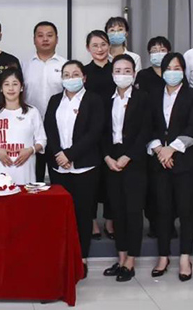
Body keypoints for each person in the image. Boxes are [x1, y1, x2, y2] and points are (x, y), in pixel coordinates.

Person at [43, 60, 105, 278]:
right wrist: (59, 155)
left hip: (85, 167)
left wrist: (70, 155)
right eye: (66, 75)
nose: (71, 78)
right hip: (59, 167)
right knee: (62, 215)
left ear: (84, 77)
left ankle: (82, 258)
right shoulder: (55, 100)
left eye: (75, 74)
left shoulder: (94, 100)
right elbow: (49, 129)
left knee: (83, 214)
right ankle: (63, 256)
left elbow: (94, 132)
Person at [147, 52, 193, 282]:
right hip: (159, 160)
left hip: (184, 161)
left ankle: (184, 257)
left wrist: (172, 149)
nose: (172, 72)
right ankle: (163, 256)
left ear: (183, 71)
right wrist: (160, 149)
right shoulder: (152, 94)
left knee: (186, 210)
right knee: (162, 211)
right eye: (168, 68)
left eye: (177, 68)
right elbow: (147, 125)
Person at [101, 54, 150, 282]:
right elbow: (101, 132)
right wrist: (107, 157)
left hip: (134, 161)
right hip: (111, 161)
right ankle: (120, 258)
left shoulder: (143, 98)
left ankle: (131, 260)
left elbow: (146, 131)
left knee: (133, 211)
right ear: (112, 74)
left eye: (127, 70)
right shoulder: (106, 99)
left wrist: (128, 156)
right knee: (117, 211)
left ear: (134, 74)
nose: (122, 75)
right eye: (118, 71)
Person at [0, 67, 46, 185]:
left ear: (21, 87)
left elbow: (42, 140)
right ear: (1, 88)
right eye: (6, 84)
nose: (11, 88)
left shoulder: (32, 112)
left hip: (25, 170)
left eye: (15, 84)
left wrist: (30, 150)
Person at [134, 36, 171, 238]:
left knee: (170, 186)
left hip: (172, 136)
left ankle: (169, 224)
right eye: (154, 50)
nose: (158, 53)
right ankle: (154, 223)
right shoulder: (143, 75)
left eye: (162, 49)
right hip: (150, 133)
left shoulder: (174, 73)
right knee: (152, 186)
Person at [23, 21, 66, 183]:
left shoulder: (65, 65)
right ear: (34, 40)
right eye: (40, 36)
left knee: (58, 175)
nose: (45, 39)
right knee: (34, 177)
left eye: (49, 35)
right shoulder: (25, 65)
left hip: (58, 127)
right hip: (31, 127)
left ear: (57, 39)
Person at [82, 30, 115, 240]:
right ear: (88, 48)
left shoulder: (117, 69)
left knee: (112, 178)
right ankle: (92, 221)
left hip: (114, 130)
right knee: (92, 179)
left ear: (109, 46)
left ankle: (110, 220)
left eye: (103, 44)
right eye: (95, 45)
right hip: (90, 131)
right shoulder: (84, 72)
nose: (100, 49)